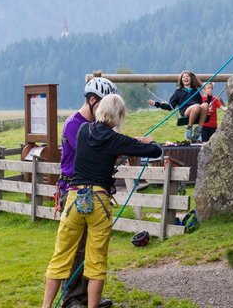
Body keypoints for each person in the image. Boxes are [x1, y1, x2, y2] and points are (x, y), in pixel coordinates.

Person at [42, 94, 163, 308]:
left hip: (74, 198)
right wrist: (147, 142)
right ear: (119, 116)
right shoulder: (116, 140)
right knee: (96, 261)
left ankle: (45, 306)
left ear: (99, 110)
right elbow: (154, 151)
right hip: (99, 201)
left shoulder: (82, 130)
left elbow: (93, 150)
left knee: (60, 255)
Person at [53, 77, 117, 308]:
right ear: (92, 101)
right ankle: (72, 299)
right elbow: (94, 152)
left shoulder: (94, 126)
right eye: (105, 104)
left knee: (93, 246)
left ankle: (90, 297)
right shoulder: (74, 124)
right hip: (74, 190)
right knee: (77, 247)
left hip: (93, 191)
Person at [148, 71, 206, 142]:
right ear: (181, 80)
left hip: (197, 111)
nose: (185, 78)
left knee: (205, 105)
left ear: (191, 79)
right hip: (186, 111)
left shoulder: (195, 91)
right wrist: (156, 104)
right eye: (183, 77)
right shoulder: (178, 92)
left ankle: (199, 129)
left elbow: (201, 104)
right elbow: (170, 106)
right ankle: (189, 128)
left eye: (187, 76)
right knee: (197, 106)